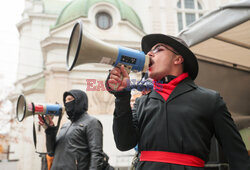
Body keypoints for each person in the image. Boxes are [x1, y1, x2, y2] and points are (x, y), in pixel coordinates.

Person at [106, 34, 250, 170]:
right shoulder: (141, 103)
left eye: (158, 49)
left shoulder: (210, 100)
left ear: (178, 59)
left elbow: (236, 154)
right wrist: (122, 96)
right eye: (148, 51)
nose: (149, 54)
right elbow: (123, 144)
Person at [39, 89, 108, 170]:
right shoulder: (65, 126)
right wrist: (49, 130)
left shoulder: (92, 122)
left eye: (70, 99)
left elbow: (96, 154)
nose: (67, 103)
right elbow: (51, 152)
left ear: (80, 101)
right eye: (65, 100)